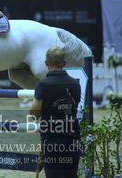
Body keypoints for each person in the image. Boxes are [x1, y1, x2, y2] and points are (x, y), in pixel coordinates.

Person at [30, 46, 81, 178]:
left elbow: (34, 114)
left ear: (46, 63)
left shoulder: (43, 84)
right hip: (73, 138)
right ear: (65, 63)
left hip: (52, 139)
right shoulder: (75, 83)